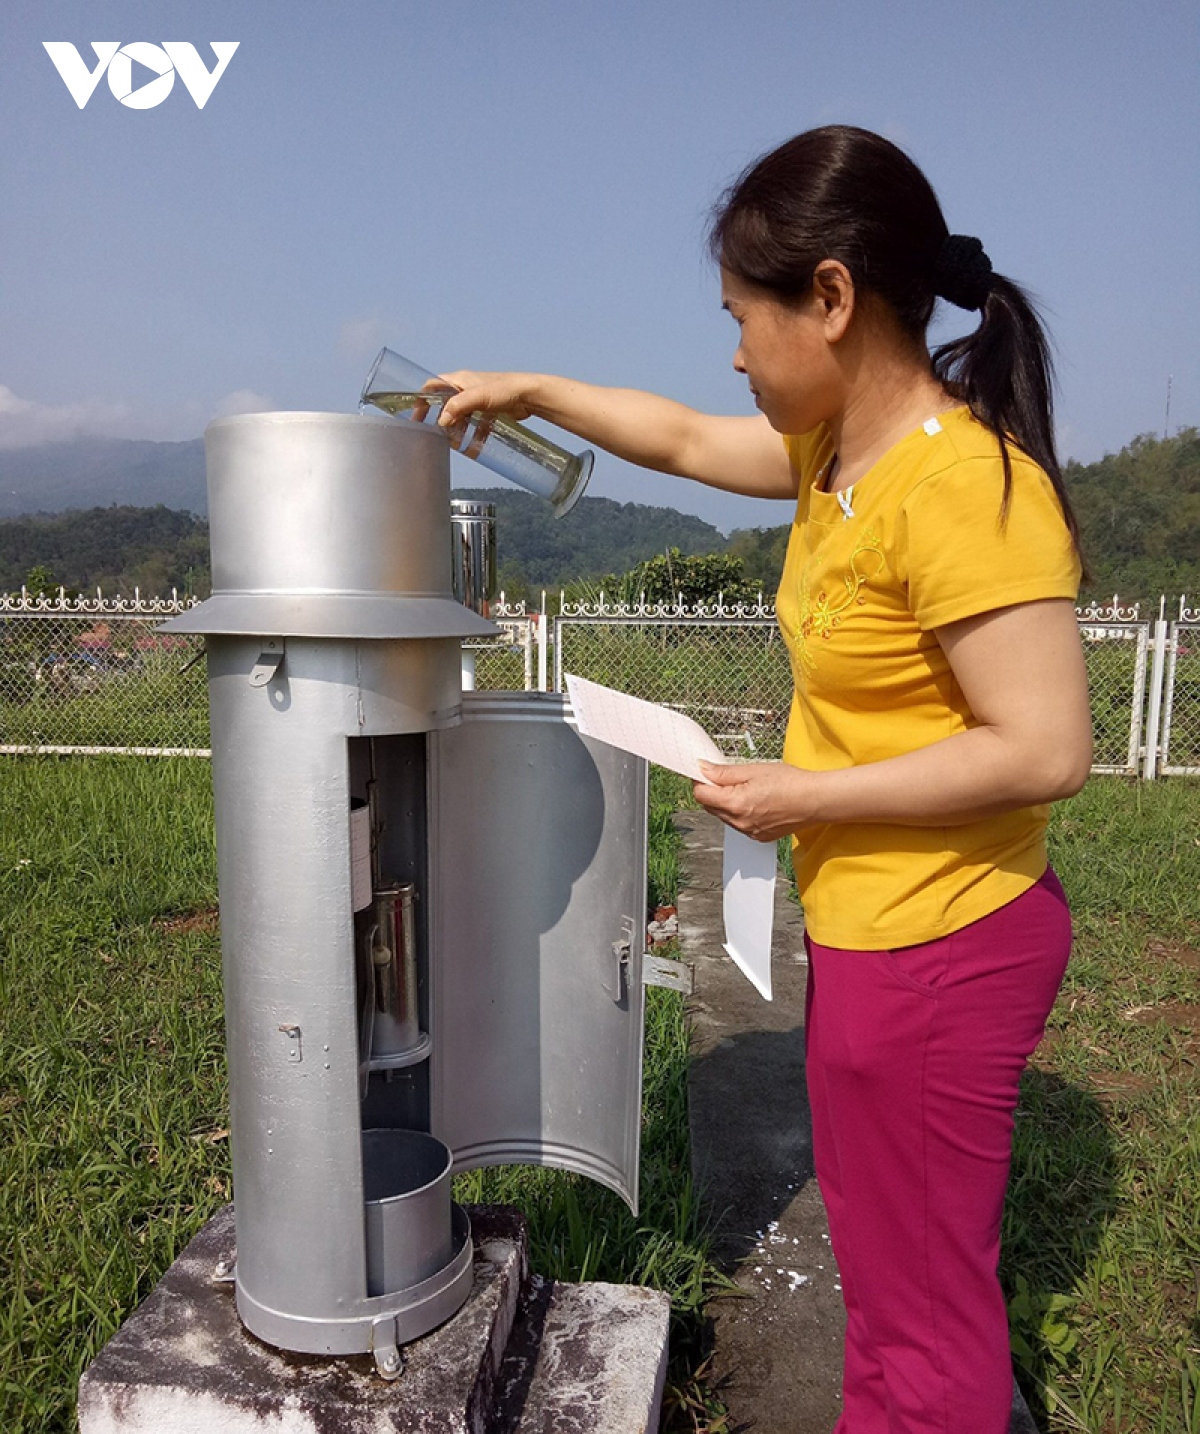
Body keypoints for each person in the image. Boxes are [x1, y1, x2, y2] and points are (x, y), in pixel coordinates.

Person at [435, 124, 1092, 1434]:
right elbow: (679, 437)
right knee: (887, 1281)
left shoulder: (961, 487)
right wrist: (534, 391)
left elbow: (1045, 748)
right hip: (870, 932)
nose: (732, 353)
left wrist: (805, 796)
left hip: (946, 944)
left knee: (930, 1312)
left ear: (832, 298)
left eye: (744, 318)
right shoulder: (831, 458)